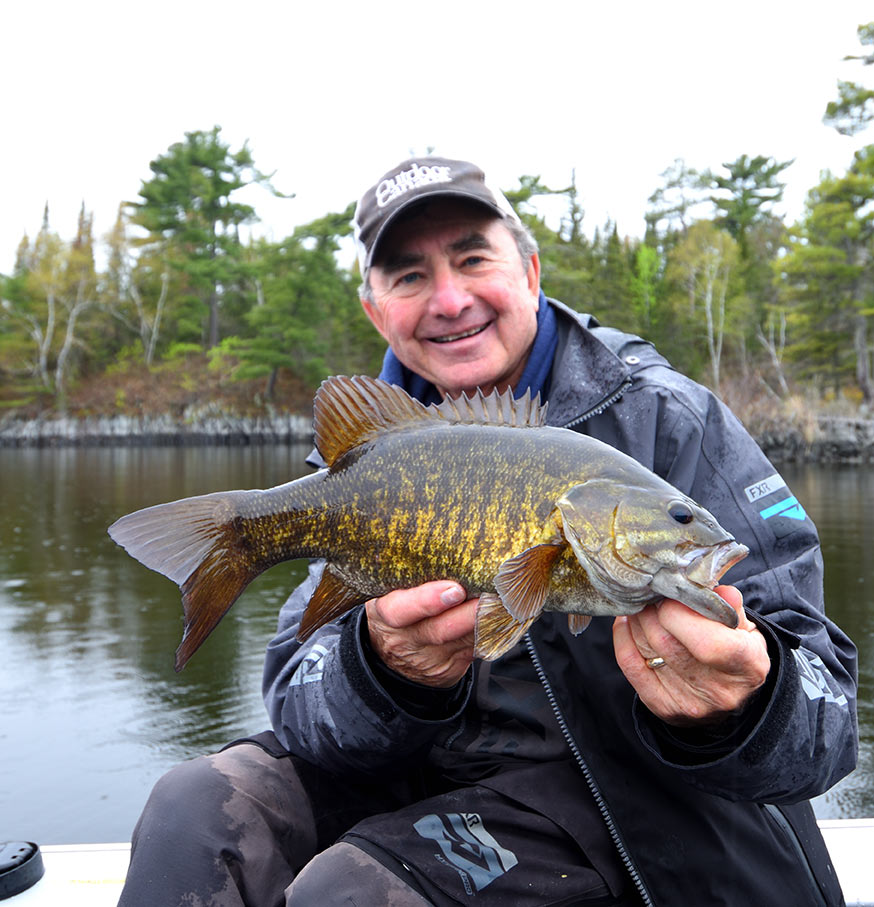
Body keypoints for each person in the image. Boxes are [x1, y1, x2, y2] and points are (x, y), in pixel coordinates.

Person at [117, 156, 857, 906]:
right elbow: (301, 704)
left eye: (473, 257)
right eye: (408, 277)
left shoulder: (669, 422)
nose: (448, 298)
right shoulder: (372, 464)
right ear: (377, 311)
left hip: (637, 816)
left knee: (350, 891)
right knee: (193, 808)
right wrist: (380, 666)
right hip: (444, 791)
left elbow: (830, 720)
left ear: (531, 272)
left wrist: (748, 700)